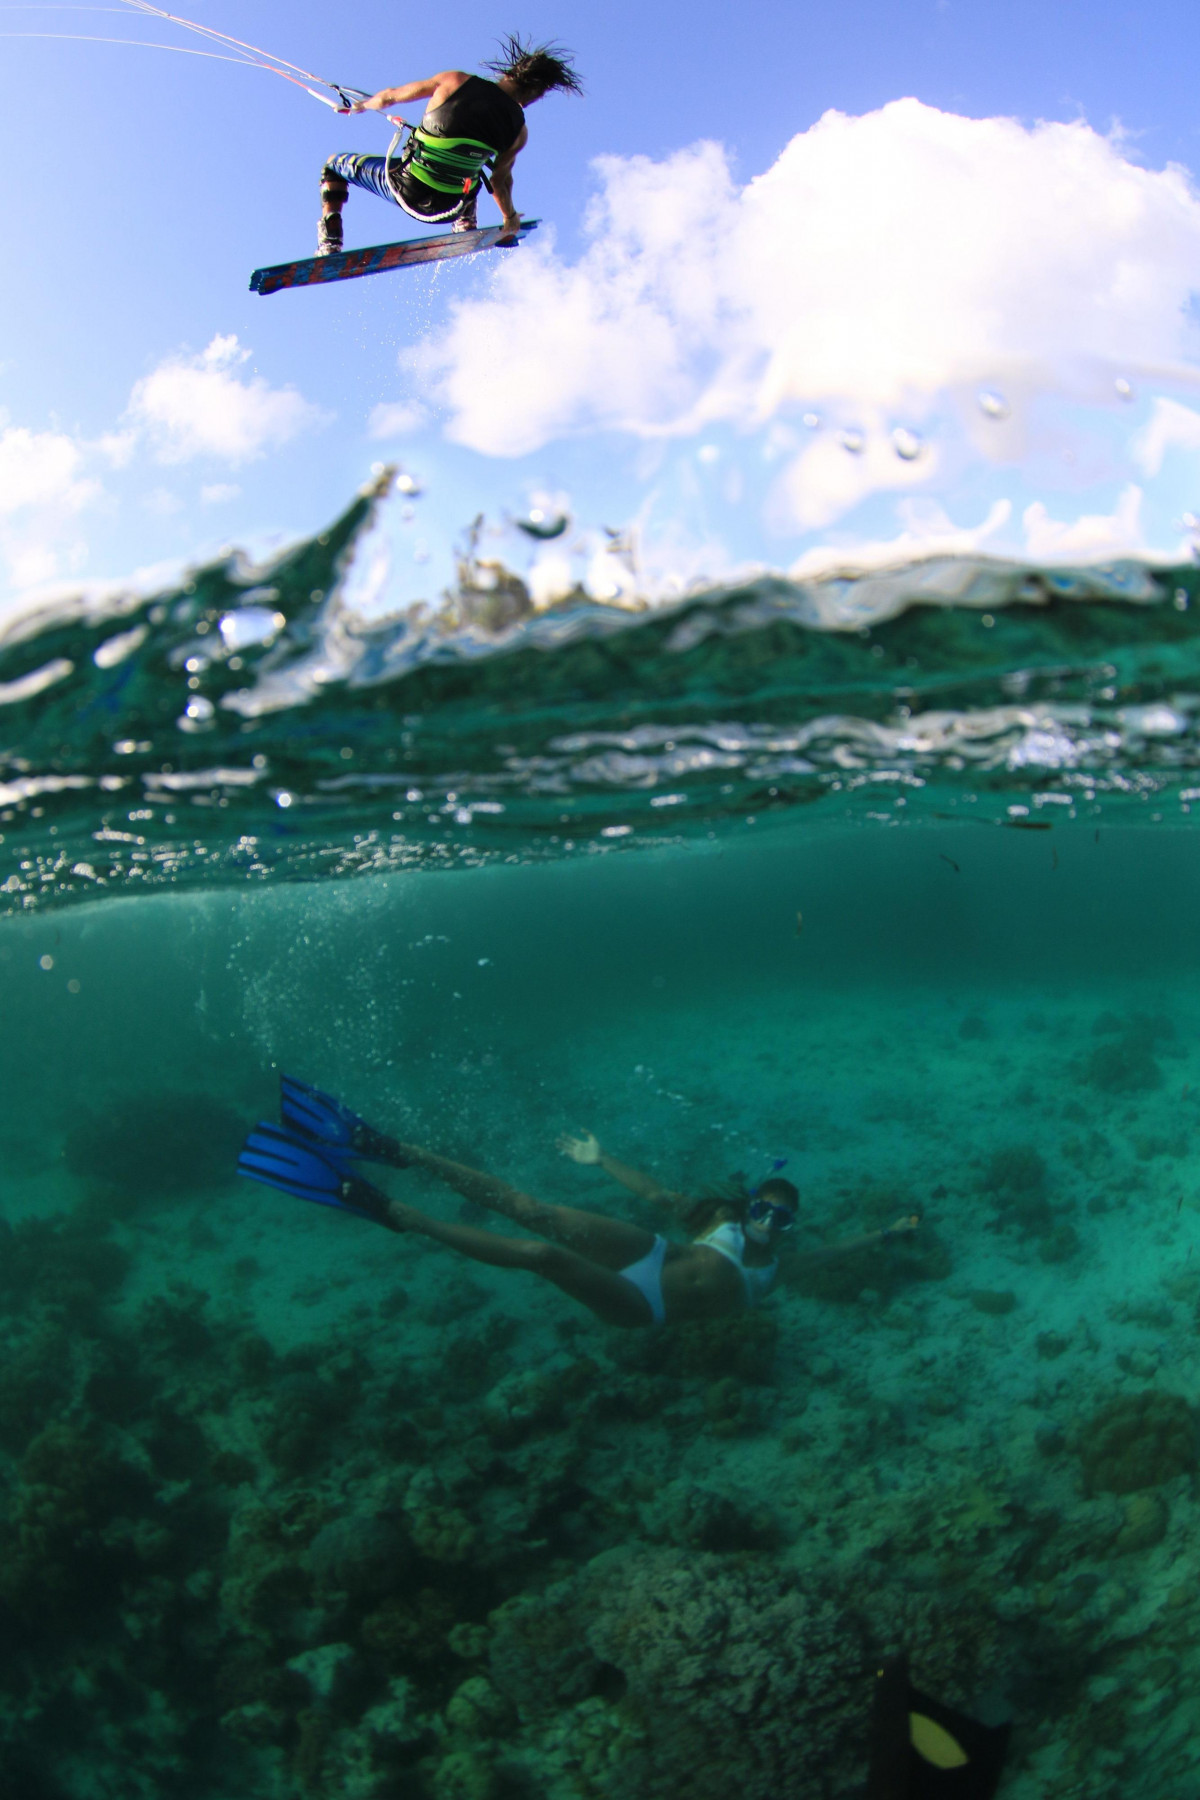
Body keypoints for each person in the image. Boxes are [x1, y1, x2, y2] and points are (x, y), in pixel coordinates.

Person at [238, 1078, 919, 1330]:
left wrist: (886, 1235)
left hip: (645, 1308)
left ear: (793, 1226)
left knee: (540, 1256)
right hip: (651, 1253)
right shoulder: (718, 1220)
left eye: (782, 1217)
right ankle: (396, 1149)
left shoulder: (783, 1268)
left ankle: (397, 1213)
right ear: (749, 1208)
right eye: (763, 1209)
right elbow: (655, 1194)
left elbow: (838, 1253)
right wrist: (601, 1161)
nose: (769, 1222)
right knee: (531, 1209)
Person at [316, 35, 583, 256]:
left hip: (407, 190)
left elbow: (389, 97)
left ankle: (330, 241)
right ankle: (465, 222)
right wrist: (509, 217)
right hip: (450, 206)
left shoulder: (453, 81)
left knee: (333, 166)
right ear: (535, 89)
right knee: (473, 170)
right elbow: (501, 182)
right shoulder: (518, 131)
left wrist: (362, 105)